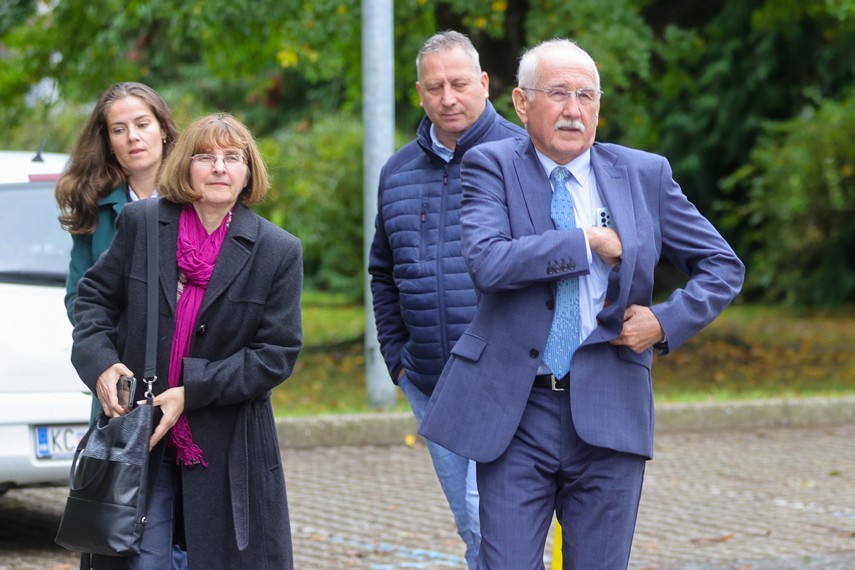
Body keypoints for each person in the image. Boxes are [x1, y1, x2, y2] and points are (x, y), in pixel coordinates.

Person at [420, 38, 745, 569]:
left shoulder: (644, 174)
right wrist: (585, 242)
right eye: (558, 93)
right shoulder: (490, 165)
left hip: (610, 406)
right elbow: (488, 262)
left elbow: (722, 265)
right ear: (522, 103)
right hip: (516, 411)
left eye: (586, 95)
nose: (573, 109)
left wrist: (664, 322)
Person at [70, 113, 303, 569]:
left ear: (248, 171)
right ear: (185, 166)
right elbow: (93, 300)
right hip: (141, 433)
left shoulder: (277, 250)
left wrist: (191, 392)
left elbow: (276, 354)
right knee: (142, 561)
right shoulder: (143, 223)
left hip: (228, 446)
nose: (219, 168)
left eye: (232, 158)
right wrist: (100, 364)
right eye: (204, 157)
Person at [368, 30, 526, 569]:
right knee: (473, 527)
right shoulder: (396, 173)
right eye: (435, 88)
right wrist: (398, 360)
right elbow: (383, 272)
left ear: (483, 83)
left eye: (459, 84)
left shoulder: (523, 156)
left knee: (497, 525)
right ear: (419, 93)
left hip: (509, 383)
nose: (448, 98)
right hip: (431, 382)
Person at [56, 81, 179, 422]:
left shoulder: (195, 200)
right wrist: (107, 358)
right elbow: (79, 299)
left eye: (142, 124)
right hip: (123, 375)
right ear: (108, 142)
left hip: (184, 375)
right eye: (119, 129)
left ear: (163, 129)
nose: (132, 137)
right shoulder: (93, 208)